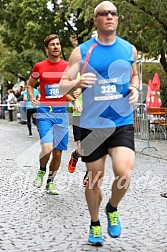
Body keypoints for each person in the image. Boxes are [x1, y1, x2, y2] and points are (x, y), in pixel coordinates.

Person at [59, 0, 139, 246]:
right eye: (103, 13)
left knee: (123, 172)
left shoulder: (129, 50)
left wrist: (135, 88)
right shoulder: (82, 51)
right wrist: (75, 85)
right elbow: (62, 84)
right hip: (93, 124)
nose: (109, 16)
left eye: (113, 13)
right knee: (95, 177)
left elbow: (134, 74)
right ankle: (94, 224)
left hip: (121, 120)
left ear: (117, 18)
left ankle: (112, 208)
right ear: (96, 20)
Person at [27, 34, 69, 195]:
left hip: (61, 112)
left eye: (58, 44)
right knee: (47, 147)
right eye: (52, 44)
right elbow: (30, 85)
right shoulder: (39, 67)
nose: (56, 47)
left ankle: (50, 182)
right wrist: (31, 97)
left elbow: (70, 86)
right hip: (44, 111)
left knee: (58, 152)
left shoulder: (67, 66)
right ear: (47, 49)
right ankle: (41, 170)